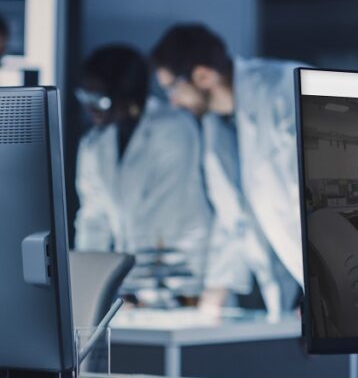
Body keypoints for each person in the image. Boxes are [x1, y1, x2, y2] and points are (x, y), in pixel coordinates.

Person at [150, 24, 304, 317]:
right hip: (289, 282)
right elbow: (232, 217)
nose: (172, 101)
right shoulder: (216, 123)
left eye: (172, 88)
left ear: (202, 76)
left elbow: (323, 199)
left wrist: (317, 299)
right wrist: (215, 292)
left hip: (333, 274)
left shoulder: (284, 88)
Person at [74, 44, 211, 291]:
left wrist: (125, 285)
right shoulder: (94, 143)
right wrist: (85, 283)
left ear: (126, 95)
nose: (90, 108)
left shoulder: (173, 129)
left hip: (180, 274)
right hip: (132, 277)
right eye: (86, 96)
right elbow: (93, 217)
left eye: (100, 99)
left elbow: (161, 215)